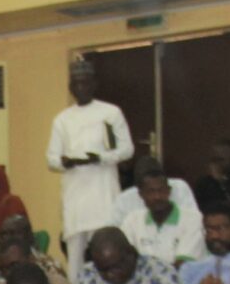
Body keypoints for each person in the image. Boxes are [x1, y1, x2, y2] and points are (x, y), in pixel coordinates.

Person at [48, 59, 133, 271]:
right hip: (75, 194)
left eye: (85, 82)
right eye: (76, 83)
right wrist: (64, 162)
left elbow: (127, 149)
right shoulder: (62, 119)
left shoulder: (110, 112)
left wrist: (101, 158)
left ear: (94, 84)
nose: (81, 88)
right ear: (71, 87)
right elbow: (51, 158)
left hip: (103, 191)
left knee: (106, 246)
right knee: (75, 254)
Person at [118, 169, 204, 264]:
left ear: (169, 191)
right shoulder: (132, 221)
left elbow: (184, 265)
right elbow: (125, 259)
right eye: (151, 192)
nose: (157, 197)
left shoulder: (192, 219)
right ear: (141, 194)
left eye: (161, 190)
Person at [112, 154, 203, 229]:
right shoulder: (124, 199)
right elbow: (113, 228)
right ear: (139, 190)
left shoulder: (180, 187)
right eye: (149, 190)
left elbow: (194, 220)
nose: (157, 196)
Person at [194, 137, 230, 218]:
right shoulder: (203, 184)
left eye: (222, 159)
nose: (217, 163)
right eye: (215, 159)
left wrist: (222, 181)